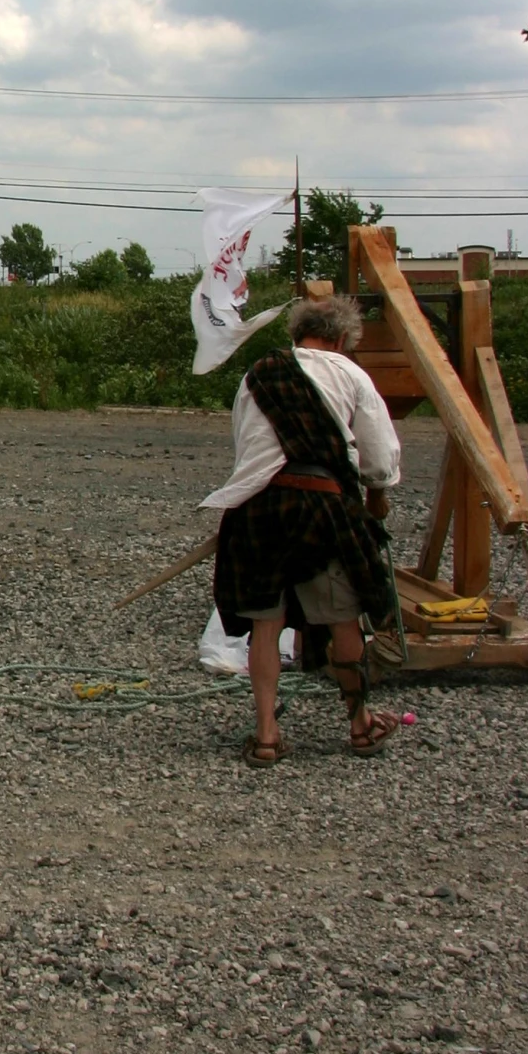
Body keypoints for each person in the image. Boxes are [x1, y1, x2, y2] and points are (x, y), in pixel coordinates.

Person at [204, 292, 401, 765]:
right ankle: (359, 725)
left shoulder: (258, 375)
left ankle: (267, 734)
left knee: (264, 627)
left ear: (298, 334)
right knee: (343, 618)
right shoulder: (351, 374)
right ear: (339, 338)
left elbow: (247, 446)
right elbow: (378, 457)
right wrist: (375, 501)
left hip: (259, 509)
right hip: (320, 506)